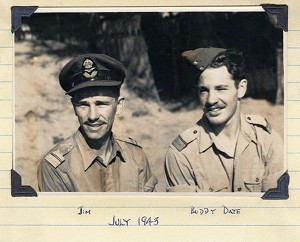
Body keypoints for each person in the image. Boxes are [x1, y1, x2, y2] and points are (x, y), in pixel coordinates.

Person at [164, 47, 284, 192]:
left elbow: (278, 207)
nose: (211, 100)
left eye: (221, 89)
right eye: (204, 90)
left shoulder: (267, 140)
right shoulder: (182, 154)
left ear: (241, 89)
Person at [38, 53, 157, 192]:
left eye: (101, 104)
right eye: (83, 105)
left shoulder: (136, 155)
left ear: (118, 106)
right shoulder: (56, 167)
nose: (92, 116)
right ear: (74, 107)